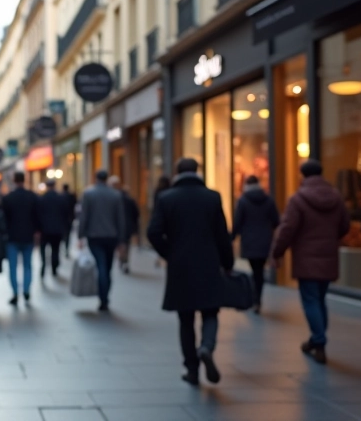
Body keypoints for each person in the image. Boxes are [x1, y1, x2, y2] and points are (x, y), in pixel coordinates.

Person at [147, 158, 233, 386]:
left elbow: (153, 232)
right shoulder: (212, 197)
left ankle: (192, 369)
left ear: (177, 173)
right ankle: (206, 346)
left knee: (185, 319)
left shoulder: (166, 198)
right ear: (197, 172)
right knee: (211, 312)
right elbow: (222, 235)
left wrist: (169, 253)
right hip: (208, 263)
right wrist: (228, 263)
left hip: (180, 266)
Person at [271, 159, 349, 366]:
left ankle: (319, 340)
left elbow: (287, 229)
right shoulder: (336, 197)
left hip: (306, 258)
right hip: (328, 256)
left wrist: (277, 252)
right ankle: (316, 339)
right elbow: (344, 225)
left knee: (311, 300)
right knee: (320, 299)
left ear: (302, 175)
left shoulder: (298, 199)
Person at [231, 175, 280, 313]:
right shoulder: (269, 200)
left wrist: (231, 238)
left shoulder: (243, 201)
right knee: (259, 271)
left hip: (249, 241)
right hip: (265, 241)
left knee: (255, 270)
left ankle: (255, 299)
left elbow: (237, 222)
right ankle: (257, 299)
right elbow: (276, 221)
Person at [79, 170, 125, 312]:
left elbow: (84, 216)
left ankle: (103, 297)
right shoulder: (115, 195)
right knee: (107, 267)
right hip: (111, 236)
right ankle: (104, 296)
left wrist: (81, 235)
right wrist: (122, 240)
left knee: (101, 266)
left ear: (96, 178)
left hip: (95, 236)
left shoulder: (89, 194)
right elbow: (120, 219)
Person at [1, 171, 40, 305]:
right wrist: (36, 232)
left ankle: (15, 292)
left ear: (14, 180)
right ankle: (26, 290)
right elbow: (37, 217)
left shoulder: (8, 198)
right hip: (28, 236)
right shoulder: (32, 197)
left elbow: (4, 219)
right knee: (28, 265)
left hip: (12, 237)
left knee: (13, 267)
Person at [109, 176, 141, 275]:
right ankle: (124, 261)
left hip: (119, 226)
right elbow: (136, 213)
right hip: (126, 226)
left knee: (122, 244)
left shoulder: (114, 198)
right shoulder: (127, 199)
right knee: (125, 244)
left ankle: (123, 260)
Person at [37, 179, 68, 278]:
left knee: (43, 249)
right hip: (57, 229)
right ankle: (54, 267)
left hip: (44, 229)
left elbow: (38, 214)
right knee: (55, 250)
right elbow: (65, 214)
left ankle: (44, 265)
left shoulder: (42, 198)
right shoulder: (60, 198)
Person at [62, 184, 78, 258]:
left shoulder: (61, 196)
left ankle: (65, 247)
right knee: (68, 234)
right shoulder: (71, 196)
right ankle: (66, 248)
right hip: (69, 218)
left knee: (65, 234)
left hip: (64, 219)